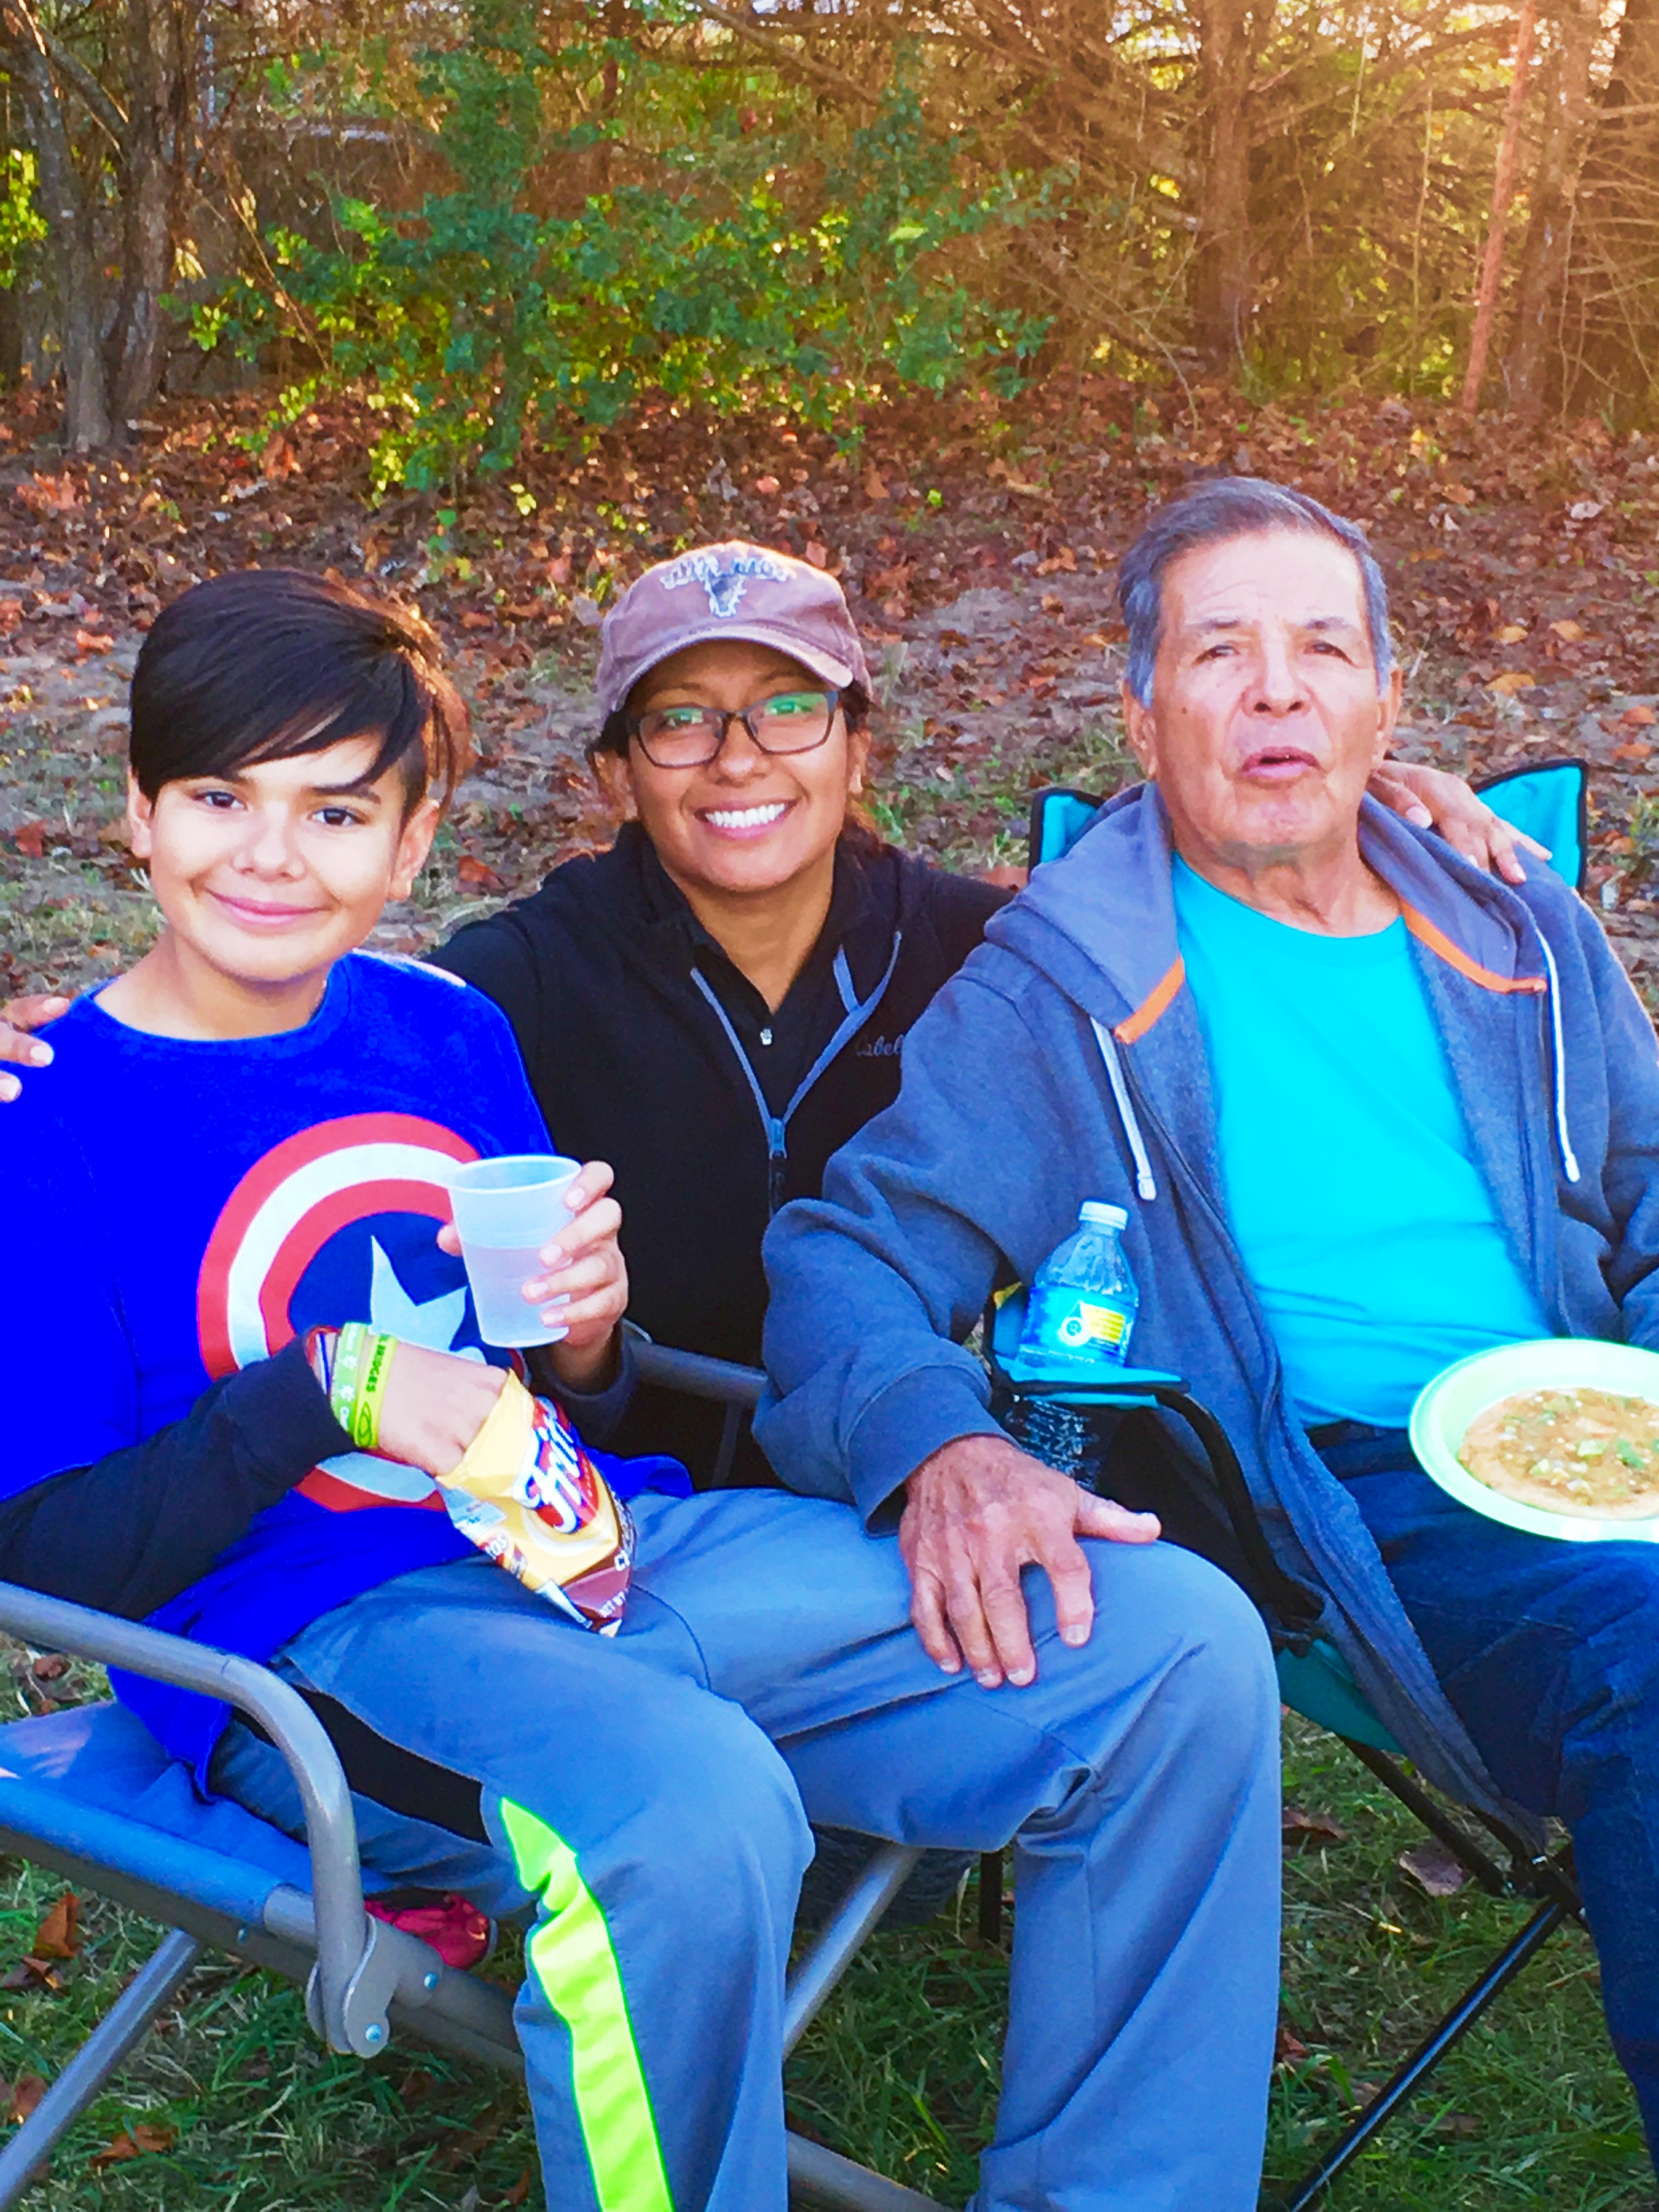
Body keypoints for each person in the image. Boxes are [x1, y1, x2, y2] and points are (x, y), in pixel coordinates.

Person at [0, 566, 1289, 2211]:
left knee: (1172, 1644)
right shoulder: (47, 1117)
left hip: (608, 1553)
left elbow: (554, 1399)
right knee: (686, 1813)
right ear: (137, 811)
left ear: (411, 843)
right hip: (321, 1646)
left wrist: (589, 1342)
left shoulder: (447, 1031)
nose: (269, 853)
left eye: (335, 813)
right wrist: (324, 1390)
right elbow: (49, 1566)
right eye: (217, 798)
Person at [757, 476, 1659, 2168]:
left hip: (1617, 1431)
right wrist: (943, 1448)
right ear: (1143, 711)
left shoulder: (1520, 924)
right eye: (1220, 651)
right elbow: (843, 1257)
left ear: (1386, 703)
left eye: (1323, 650)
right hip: (1355, 1503)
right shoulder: (1067, 991)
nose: (1276, 691)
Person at [1, 542, 1537, 1492]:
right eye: (680, 720)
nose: (739, 758)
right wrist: (60, 1052)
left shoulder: (987, 946)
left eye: (790, 709)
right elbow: (281, 1026)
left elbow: (1205, 854)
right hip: (624, 1496)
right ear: (616, 773)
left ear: (858, 746)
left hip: (898, 1466)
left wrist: (1379, 806)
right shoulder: (516, 984)